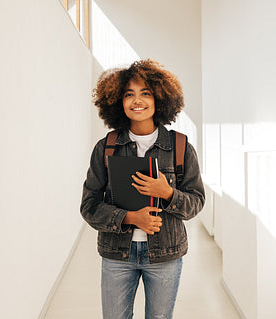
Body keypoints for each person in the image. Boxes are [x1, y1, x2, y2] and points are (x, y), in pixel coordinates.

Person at [80, 59, 205, 319]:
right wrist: (129, 218)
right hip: (117, 254)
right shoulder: (106, 147)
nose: (137, 101)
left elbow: (196, 202)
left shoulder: (180, 147)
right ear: (118, 101)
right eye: (129, 94)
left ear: (160, 98)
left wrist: (167, 193)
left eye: (145, 93)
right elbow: (89, 206)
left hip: (166, 255)